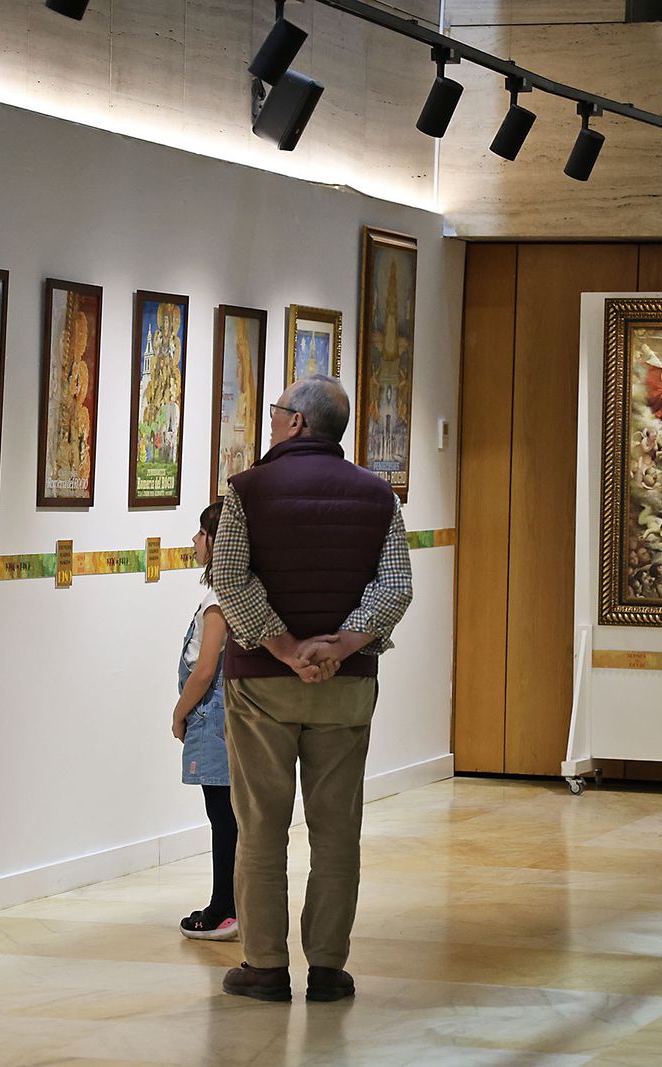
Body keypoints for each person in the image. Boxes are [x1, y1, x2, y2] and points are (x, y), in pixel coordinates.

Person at [211, 375, 413, 1004]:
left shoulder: (247, 491)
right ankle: (327, 968)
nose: (271, 423)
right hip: (345, 690)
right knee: (335, 834)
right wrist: (341, 645)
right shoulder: (379, 496)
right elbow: (396, 585)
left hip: (263, 688)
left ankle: (266, 967)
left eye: (275, 414)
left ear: (297, 423)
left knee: (261, 831)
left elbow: (230, 578)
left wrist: (285, 648)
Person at [171, 500, 238, 942]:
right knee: (227, 813)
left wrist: (179, 714)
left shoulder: (218, 600)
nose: (194, 541)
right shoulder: (225, 594)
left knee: (223, 815)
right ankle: (232, 905)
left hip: (211, 716)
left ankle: (223, 909)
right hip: (215, 715)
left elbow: (205, 670)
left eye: (200, 533)